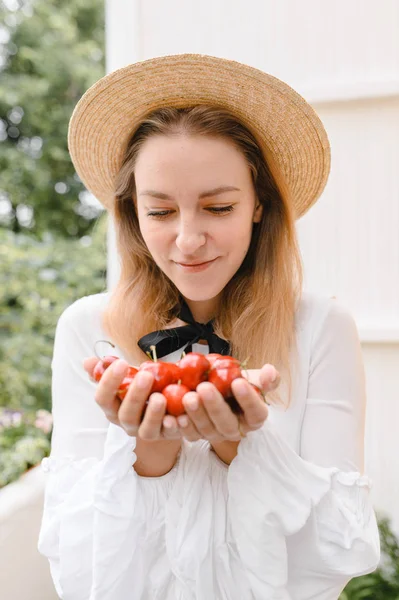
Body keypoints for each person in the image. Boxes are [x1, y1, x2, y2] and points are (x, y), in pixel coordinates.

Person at [37, 54, 380, 600]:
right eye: (160, 211)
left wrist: (239, 446)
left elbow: (336, 557)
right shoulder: (87, 327)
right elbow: (81, 576)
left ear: (259, 206)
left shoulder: (321, 327)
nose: (188, 240)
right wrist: (148, 453)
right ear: (131, 214)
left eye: (218, 208)